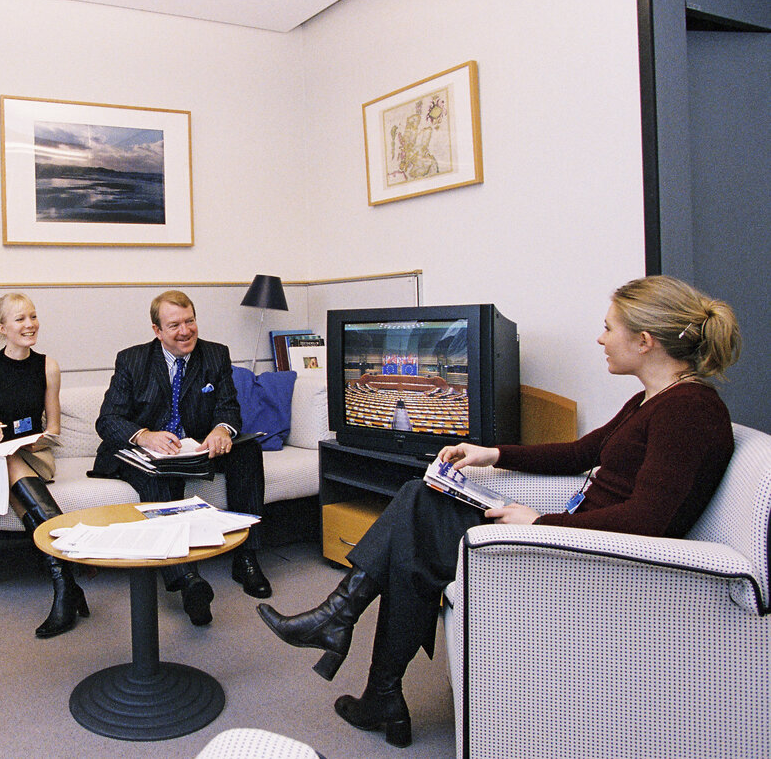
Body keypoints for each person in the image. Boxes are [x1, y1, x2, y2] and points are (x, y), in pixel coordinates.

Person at [258, 275, 741, 748]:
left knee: (414, 524)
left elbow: (645, 523)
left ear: (644, 340)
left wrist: (541, 523)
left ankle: (347, 633)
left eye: (609, 328)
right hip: (572, 537)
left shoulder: (689, 412)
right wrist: (494, 454)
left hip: (589, 559)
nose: (601, 338)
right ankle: (365, 667)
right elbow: (578, 454)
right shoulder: (654, 400)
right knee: (419, 504)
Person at [94, 290, 272, 627]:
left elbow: (228, 407)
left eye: (190, 321)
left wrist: (222, 430)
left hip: (197, 448)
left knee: (248, 451)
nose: (185, 331)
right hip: (149, 453)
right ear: (157, 330)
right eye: (174, 325)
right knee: (156, 475)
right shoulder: (132, 360)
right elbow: (108, 420)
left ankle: (247, 557)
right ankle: (188, 580)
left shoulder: (215, 355)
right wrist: (145, 436)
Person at [0, 293, 86, 638]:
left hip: (34, 455)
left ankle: (67, 588)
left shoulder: (48, 365)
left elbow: (55, 428)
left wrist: (38, 439)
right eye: (19, 319)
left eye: (32, 317)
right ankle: (67, 584)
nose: (29, 325)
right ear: (2, 328)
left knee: (13, 459)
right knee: (5, 457)